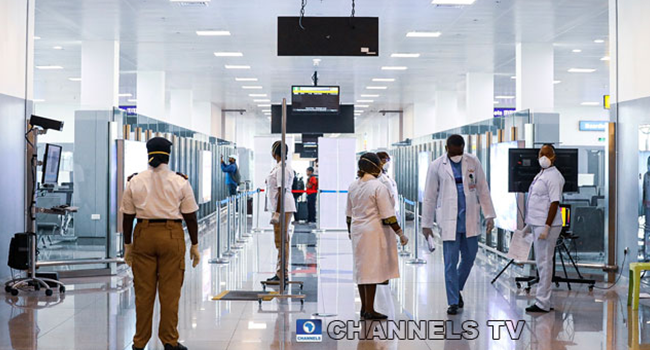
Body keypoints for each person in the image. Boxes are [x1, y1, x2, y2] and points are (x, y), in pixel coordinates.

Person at [120, 137, 201, 350]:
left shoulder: (135, 181)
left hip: (143, 235)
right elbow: (190, 216)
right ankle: (169, 341)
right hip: (171, 235)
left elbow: (127, 217)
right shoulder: (180, 181)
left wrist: (127, 245)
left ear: (148, 154)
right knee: (170, 293)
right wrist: (195, 244)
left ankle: (139, 343)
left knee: (143, 293)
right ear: (169, 155)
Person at [421, 134, 495, 315]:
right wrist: (426, 223)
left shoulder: (472, 161)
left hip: (469, 220)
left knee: (469, 258)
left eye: (460, 151)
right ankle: (453, 301)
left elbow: (483, 188)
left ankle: (457, 287)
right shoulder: (436, 166)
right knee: (450, 263)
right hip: (448, 221)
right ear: (447, 148)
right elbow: (429, 196)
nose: (457, 155)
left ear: (463, 147)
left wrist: (489, 215)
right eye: (454, 152)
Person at [346, 152, 408, 320]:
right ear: (375, 166)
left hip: (358, 231)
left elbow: (349, 215)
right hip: (373, 232)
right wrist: (400, 233)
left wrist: (350, 231)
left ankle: (365, 308)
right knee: (371, 271)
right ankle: (370, 309)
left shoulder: (353, 185)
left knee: (362, 270)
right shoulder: (378, 187)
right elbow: (388, 215)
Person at [524, 144, 565, 313]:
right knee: (542, 262)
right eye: (541, 153)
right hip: (537, 223)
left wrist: (547, 226)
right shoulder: (542, 174)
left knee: (544, 263)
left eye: (547, 154)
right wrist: (529, 224)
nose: (543, 156)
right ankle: (544, 299)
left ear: (554, 156)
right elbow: (537, 201)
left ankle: (542, 302)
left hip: (546, 225)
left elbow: (555, 203)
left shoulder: (554, 177)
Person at [265, 141, 296, 282]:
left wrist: (277, 213)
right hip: (281, 206)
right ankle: (281, 272)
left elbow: (281, 190)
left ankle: (281, 274)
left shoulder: (282, 169)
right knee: (282, 240)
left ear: (274, 153)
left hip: (283, 207)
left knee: (281, 240)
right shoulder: (279, 167)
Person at [376, 152, 400, 219]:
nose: (387, 163)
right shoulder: (378, 177)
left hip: (394, 209)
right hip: (386, 212)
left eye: (388, 160)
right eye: (385, 160)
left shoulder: (386, 176)